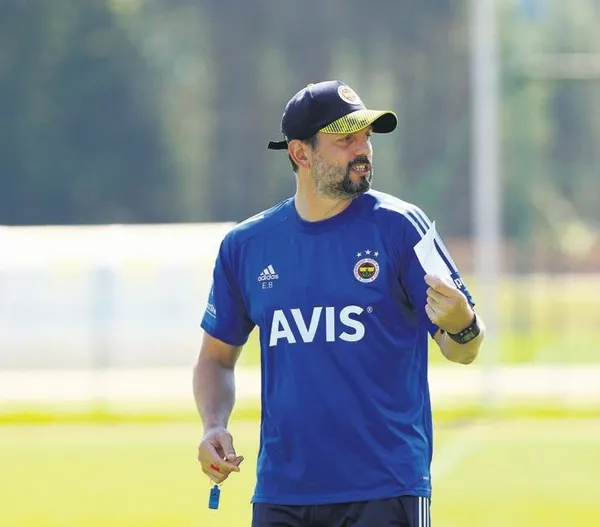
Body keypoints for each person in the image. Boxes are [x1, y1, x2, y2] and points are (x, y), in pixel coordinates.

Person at [194, 80, 485, 527]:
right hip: (281, 494)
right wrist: (214, 425)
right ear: (300, 153)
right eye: (346, 139)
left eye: (366, 137)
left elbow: (463, 349)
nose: (363, 149)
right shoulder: (246, 246)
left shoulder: (403, 227)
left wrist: (463, 323)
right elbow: (215, 359)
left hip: (386, 490)